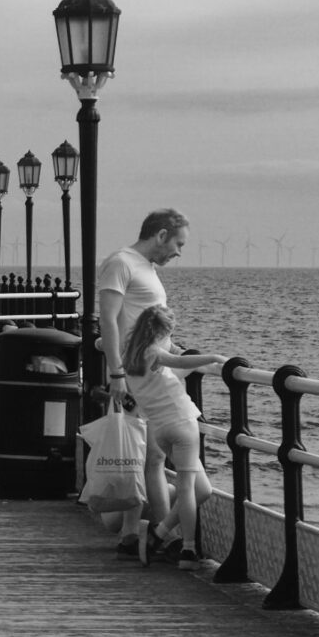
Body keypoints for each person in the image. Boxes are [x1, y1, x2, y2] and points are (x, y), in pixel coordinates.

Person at [96, 208, 190, 552]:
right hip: (134, 378)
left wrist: (169, 347)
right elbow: (107, 319)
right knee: (150, 458)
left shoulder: (146, 269)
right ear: (161, 235)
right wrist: (116, 373)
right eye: (177, 243)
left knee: (148, 458)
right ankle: (164, 539)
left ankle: (134, 534)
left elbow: (140, 322)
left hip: (149, 374)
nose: (178, 252)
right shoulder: (121, 263)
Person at [121, 305, 223, 565]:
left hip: (161, 430)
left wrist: (204, 368)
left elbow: (170, 372)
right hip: (181, 424)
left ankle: (157, 533)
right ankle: (187, 550)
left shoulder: (130, 356)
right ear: (162, 332)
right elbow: (178, 362)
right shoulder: (154, 351)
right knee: (187, 488)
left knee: (202, 489)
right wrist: (214, 357)